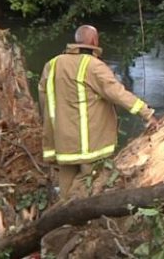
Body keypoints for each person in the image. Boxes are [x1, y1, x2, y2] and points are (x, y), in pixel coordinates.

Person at [38, 25, 155, 198]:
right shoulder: (93, 66)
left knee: (65, 185)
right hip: (89, 145)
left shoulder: (52, 64)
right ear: (94, 41)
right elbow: (118, 94)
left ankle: (61, 217)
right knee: (87, 184)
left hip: (61, 141)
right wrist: (147, 113)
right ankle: (72, 215)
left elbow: (43, 99)